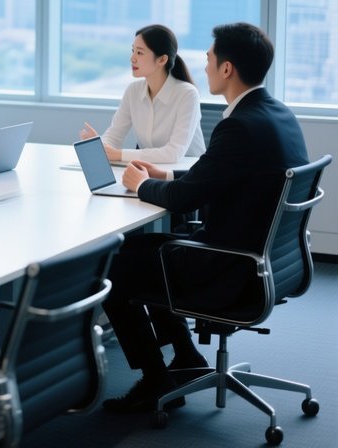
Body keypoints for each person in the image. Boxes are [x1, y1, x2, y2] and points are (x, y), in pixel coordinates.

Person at [100, 22, 309, 414]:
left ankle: (155, 378)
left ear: (227, 69)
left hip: (231, 267)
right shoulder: (277, 114)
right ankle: (186, 354)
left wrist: (143, 185)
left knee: (116, 265)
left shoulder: (238, 126)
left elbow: (183, 200)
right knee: (144, 252)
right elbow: (215, 178)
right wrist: (168, 175)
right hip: (270, 262)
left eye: (211, 58)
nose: (205, 64)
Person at [79, 24, 205, 164]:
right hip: (151, 173)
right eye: (133, 51)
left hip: (187, 176)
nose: (132, 58)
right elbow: (114, 136)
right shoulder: (133, 91)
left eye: (139, 53)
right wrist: (100, 147)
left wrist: (118, 155)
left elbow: (173, 153)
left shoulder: (187, 94)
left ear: (162, 60)